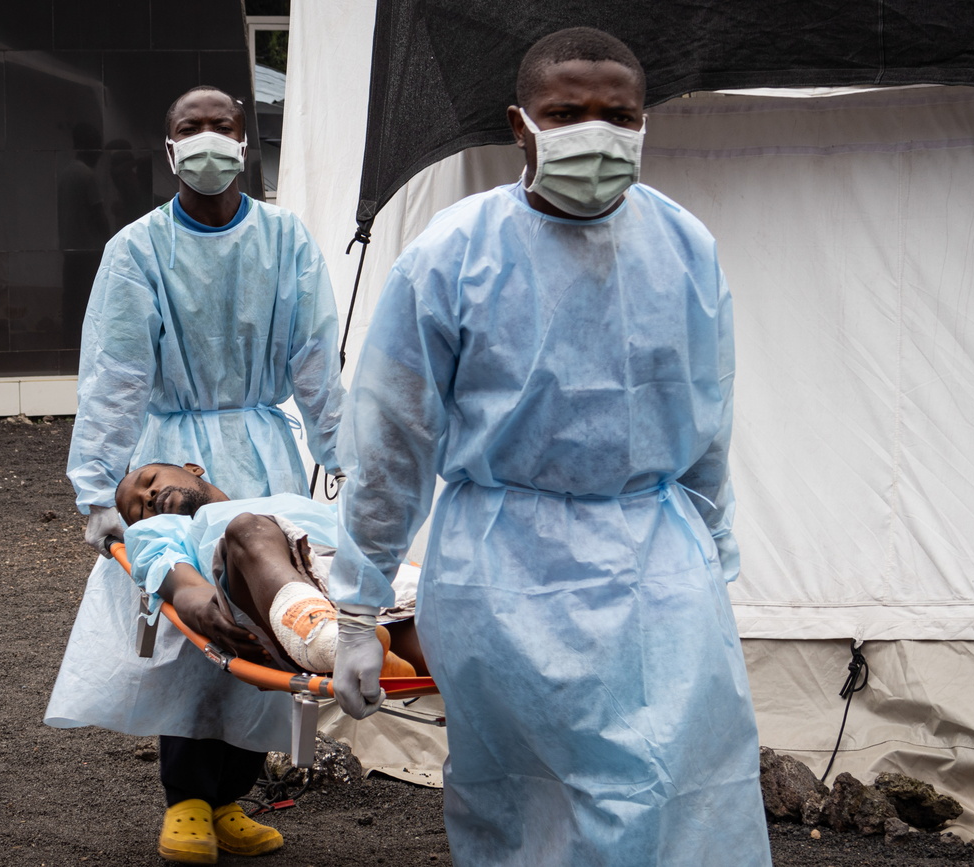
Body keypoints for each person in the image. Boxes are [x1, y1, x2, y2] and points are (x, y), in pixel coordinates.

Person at [328, 27, 773, 867]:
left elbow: (708, 420)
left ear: (646, 123)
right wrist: (360, 604)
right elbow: (393, 441)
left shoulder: (685, 248)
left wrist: (714, 548)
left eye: (619, 115)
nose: (595, 133)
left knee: (676, 787)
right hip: (503, 573)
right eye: (567, 113)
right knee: (525, 801)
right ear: (519, 123)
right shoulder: (451, 258)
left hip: (658, 564)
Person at [44, 85, 346, 864]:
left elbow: (318, 368)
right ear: (168, 146)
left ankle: (230, 797)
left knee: (263, 625)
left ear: (245, 144)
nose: (208, 139)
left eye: (222, 127)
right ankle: (184, 801)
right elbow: (112, 377)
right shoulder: (138, 250)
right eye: (191, 128)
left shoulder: (286, 241)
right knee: (190, 633)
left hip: (263, 454)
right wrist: (98, 489)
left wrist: (351, 462)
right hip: (168, 463)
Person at [115, 461, 423, 678]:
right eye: (139, 510)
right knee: (247, 528)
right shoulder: (162, 532)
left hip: (362, 587)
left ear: (192, 468)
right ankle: (326, 640)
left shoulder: (290, 502)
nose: (148, 497)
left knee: (450, 656)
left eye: (150, 481)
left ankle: (344, 647)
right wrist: (204, 614)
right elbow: (184, 587)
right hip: (267, 603)